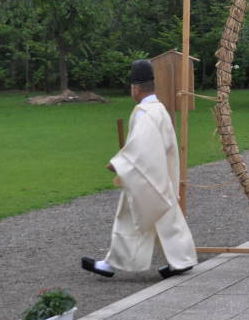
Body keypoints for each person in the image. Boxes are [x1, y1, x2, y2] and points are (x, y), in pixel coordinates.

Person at [82, 59, 197, 279]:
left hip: (147, 175)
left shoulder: (146, 113)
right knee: (165, 216)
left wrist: (117, 164)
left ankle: (111, 264)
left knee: (132, 215)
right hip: (159, 173)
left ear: (135, 88)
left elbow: (140, 147)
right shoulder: (159, 109)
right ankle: (180, 260)